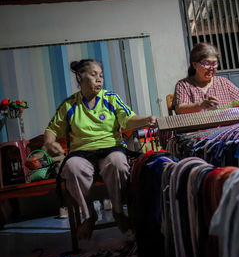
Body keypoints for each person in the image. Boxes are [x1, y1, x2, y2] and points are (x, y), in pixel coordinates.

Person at [43, 59, 157, 240]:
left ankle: (118, 211)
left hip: (111, 148)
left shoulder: (110, 99)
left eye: (101, 76)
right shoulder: (69, 105)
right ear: (80, 77)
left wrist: (145, 120)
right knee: (72, 167)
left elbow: (128, 119)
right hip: (82, 153)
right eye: (94, 75)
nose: (99, 80)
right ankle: (88, 216)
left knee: (118, 163)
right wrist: (49, 143)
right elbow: (52, 130)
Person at [173, 42, 239, 114]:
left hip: (225, 126)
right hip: (199, 127)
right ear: (195, 65)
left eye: (214, 63)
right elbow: (180, 109)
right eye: (206, 63)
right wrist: (200, 105)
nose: (211, 68)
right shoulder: (183, 85)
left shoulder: (223, 82)